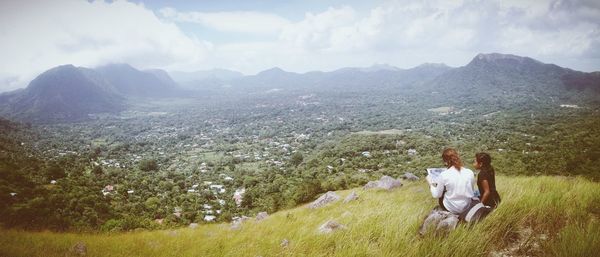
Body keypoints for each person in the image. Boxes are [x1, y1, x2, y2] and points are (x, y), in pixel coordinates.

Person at [427, 148, 476, 214]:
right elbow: (471, 190)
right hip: (467, 206)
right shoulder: (469, 172)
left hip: (451, 208)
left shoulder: (444, 174)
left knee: (441, 192)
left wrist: (430, 183)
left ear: (446, 161)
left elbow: (436, 195)